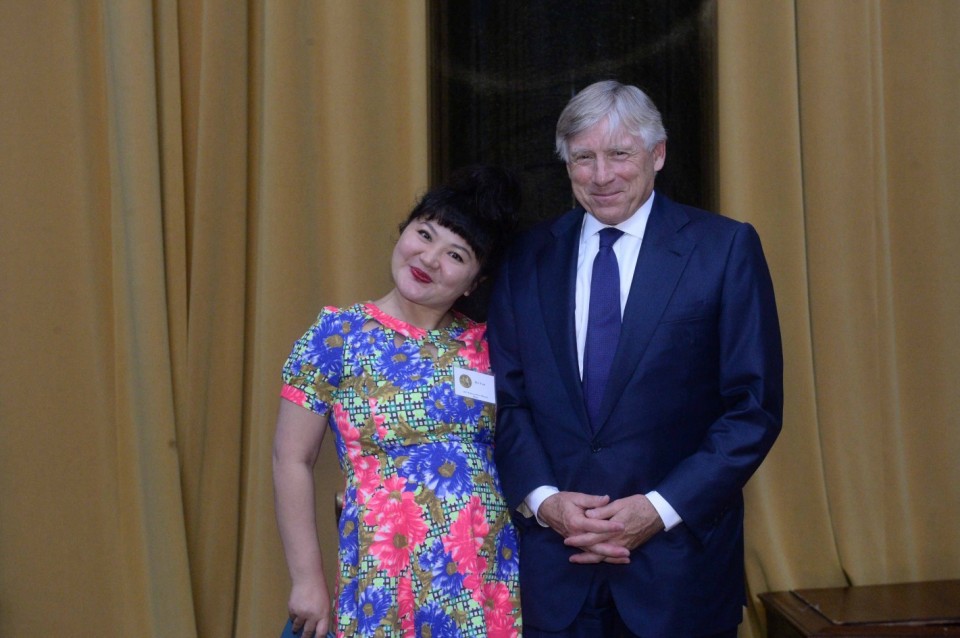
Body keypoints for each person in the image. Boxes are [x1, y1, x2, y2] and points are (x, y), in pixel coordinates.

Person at [487, 80, 783, 638]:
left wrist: (658, 508)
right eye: (584, 158)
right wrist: (546, 502)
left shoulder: (723, 249)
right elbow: (508, 397)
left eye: (620, 154)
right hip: (554, 571)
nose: (602, 176)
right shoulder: (525, 258)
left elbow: (753, 408)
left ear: (658, 154)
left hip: (678, 574)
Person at [273, 165, 523, 638]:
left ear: (474, 281)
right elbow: (291, 458)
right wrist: (307, 581)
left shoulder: (490, 345)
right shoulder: (336, 335)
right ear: (403, 230)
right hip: (384, 575)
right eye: (423, 233)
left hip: (486, 578)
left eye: (455, 254)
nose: (428, 258)